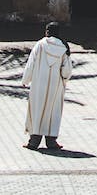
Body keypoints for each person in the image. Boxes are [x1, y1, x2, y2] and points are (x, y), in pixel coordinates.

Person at [21, 22, 72, 150]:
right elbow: (67, 70)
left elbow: (31, 63)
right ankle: (51, 141)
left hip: (38, 84)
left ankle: (34, 141)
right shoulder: (63, 47)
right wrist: (64, 79)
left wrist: (26, 79)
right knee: (53, 111)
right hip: (56, 85)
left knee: (37, 110)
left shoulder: (40, 45)